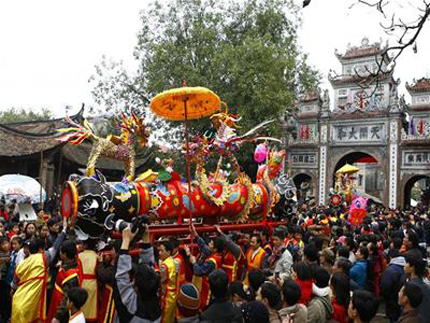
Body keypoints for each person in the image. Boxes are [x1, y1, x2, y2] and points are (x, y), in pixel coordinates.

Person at [11, 216, 67, 323]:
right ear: (41, 249)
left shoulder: (21, 264)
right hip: (31, 306)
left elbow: (13, 285)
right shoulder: (43, 258)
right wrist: (64, 229)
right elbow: (56, 246)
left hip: (17, 302)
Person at [115, 225, 162, 322]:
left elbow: (120, 278)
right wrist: (146, 239)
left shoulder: (131, 306)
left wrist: (126, 240)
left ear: (136, 287)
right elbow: (149, 269)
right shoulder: (155, 302)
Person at [188, 223, 223, 310]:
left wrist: (193, 262)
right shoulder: (217, 255)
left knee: (203, 305)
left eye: (211, 244)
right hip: (208, 285)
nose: (209, 245)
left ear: (215, 249)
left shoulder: (211, 261)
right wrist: (195, 234)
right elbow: (203, 246)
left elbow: (198, 271)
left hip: (206, 287)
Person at [47, 240, 83, 323]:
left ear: (65, 255)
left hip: (62, 313)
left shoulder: (70, 275)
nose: (59, 253)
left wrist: (57, 317)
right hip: (55, 303)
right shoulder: (69, 265)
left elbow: (66, 297)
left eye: (61, 251)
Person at [380, 249, 406, 322]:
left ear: (390, 257)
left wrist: (387, 297)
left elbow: (385, 286)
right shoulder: (405, 266)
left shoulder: (391, 270)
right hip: (403, 299)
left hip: (393, 300)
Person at [404, 251, 430, 320]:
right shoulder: (425, 285)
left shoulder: (412, 287)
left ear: (412, 267)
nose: (404, 265)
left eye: (407, 263)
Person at [78, 238, 99, 322]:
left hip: (81, 283)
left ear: (85, 245)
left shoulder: (79, 255)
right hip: (93, 284)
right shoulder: (97, 256)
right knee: (91, 309)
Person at [158, 240, 178, 322]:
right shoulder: (172, 261)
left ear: (169, 252)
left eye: (162, 251)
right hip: (173, 294)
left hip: (166, 296)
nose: (159, 253)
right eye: (159, 250)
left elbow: (160, 282)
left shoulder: (164, 266)